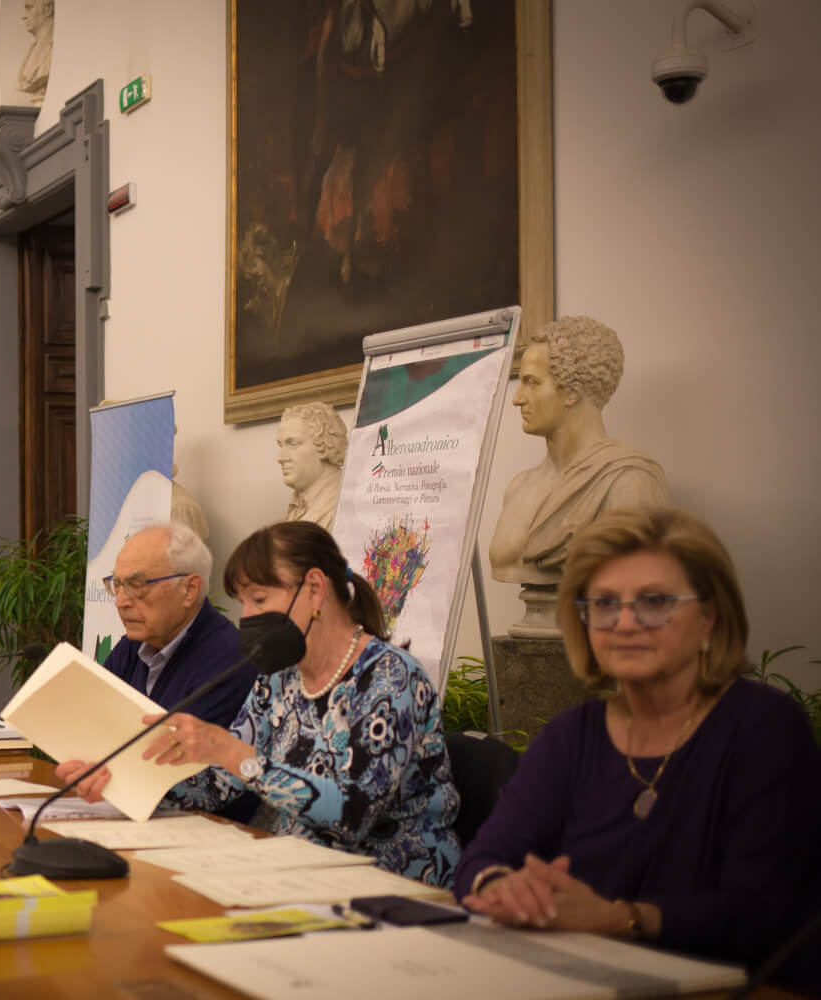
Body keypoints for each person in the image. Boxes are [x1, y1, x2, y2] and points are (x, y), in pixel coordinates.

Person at [457, 508, 821, 982]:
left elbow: (762, 913)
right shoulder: (571, 736)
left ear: (709, 616)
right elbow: (479, 861)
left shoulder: (764, 727)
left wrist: (623, 918)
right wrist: (504, 887)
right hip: (583, 981)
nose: (625, 623)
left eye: (654, 601)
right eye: (604, 604)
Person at [58, 520, 460, 886]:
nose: (247, 616)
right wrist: (122, 779)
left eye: (259, 599)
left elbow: (352, 815)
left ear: (315, 589)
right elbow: (218, 785)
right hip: (292, 875)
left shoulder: (390, 677)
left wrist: (235, 754)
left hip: (393, 885)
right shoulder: (279, 678)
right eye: (243, 602)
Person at [489, 316, 668, 588]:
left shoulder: (628, 482)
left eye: (532, 382)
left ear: (572, 392)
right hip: (525, 626)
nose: (517, 398)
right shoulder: (519, 487)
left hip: (589, 628)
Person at [101, 523, 252, 728]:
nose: (120, 602)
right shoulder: (137, 642)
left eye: (136, 585)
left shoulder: (230, 662)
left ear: (189, 590)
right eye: (117, 584)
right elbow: (97, 718)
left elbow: (177, 756)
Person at [276, 401, 346, 530]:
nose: (281, 458)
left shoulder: (344, 502)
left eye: (293, 443)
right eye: (281, 445)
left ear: (324, 443)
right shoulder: (297, 505)